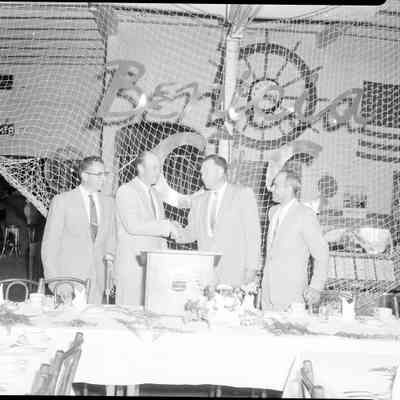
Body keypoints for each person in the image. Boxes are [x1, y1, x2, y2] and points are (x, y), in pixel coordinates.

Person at [176, 154, 261, 288]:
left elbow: (253, 235)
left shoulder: (242, 194)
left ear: (220, 172)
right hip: (206, 273)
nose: (201, 176)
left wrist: (252, 268)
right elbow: (191, 233)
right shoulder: (198, 201)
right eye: (201, 173)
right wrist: (172, 229)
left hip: (234, 271)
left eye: (205, 171)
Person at [41, 156, 116, 304]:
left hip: (99, 284)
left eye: (105, 174)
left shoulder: (109, 203)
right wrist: (56, 283)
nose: (104, 179)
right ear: (84, 176)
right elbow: (50, 245)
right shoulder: (62, 201)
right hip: (68, 282)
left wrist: (111, 277)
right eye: (99, 174)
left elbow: (112, 241)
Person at [114, 151, 180, 306]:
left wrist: (171, 227)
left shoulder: (155, 194)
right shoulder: (126, 191)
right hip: (133, 268)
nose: (159, 172)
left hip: (154, 269)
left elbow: (158, 231)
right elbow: (133, 226)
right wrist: (166, 226)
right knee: (128, 316)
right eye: (154, 168)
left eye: (159, 168)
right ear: (140, 168)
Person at [261, 169, 329, 311]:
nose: (271, 188)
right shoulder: (272, 212)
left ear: (289, 189)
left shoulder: (306, 214)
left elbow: (321, 253)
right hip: (267, 292)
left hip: (291, 293)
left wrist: (316, 287)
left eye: (276, 185)